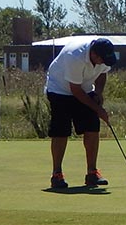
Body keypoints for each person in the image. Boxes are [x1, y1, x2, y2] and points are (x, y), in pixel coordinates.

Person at [45, 36, 117, 187]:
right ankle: (56, 175)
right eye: (102, 60)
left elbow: (102, 74)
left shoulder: (102, 57)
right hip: (59, 90)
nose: (103, 63)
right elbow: (75, 90)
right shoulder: (75, 56)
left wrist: (98, 92)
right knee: (61, 130)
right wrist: (99, 110)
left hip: (83, 88)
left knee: (92, 127)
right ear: (94, 55)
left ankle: (92, 173)